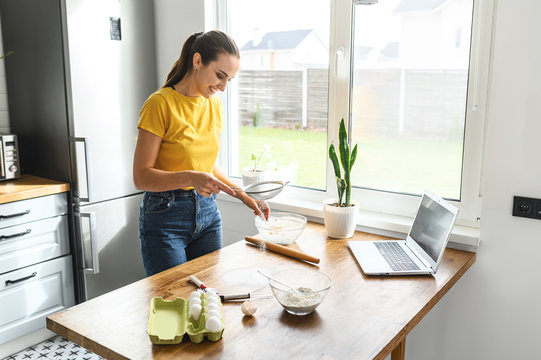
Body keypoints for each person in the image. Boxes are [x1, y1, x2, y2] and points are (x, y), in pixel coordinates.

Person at [133, 30, 269, 276]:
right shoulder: (159, 104)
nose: (223, 87)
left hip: (208, 215)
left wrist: (244, 196)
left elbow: (206, 165)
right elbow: (141, 177)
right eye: (220, 76)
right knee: (174, 304)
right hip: (165, 218)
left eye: (229, 80)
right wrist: (191, 178)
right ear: (197, 61)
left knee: (208, 300)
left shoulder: (213, 103)